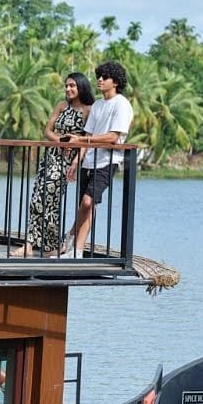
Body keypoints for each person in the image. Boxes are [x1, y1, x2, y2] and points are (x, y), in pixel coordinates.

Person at [63, 60, 132, 257]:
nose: (100, 80)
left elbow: (113, 137)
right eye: (98, 77)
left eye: (105, 77)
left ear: (115, 82)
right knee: (86, 206)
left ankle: (70, 239)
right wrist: (76, 162)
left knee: (87, 202)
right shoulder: (98, 105)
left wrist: (83, 139)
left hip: (107, 161)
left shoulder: (122, 105)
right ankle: (75, 251)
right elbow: (89, 133)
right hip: (88, 160)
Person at [24, 72, 93, 255]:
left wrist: (76, 162)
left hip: (66, 162)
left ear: (81, 87)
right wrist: (61, 142)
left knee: (49, 201)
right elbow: (48, 131)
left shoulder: (88, 110)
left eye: (72, 86)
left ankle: (50, 246)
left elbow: (87, 140)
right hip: (50, 156)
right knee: (36, 199)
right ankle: (32, 245)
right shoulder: (61, 106)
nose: (68, 89)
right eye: (66, 86)